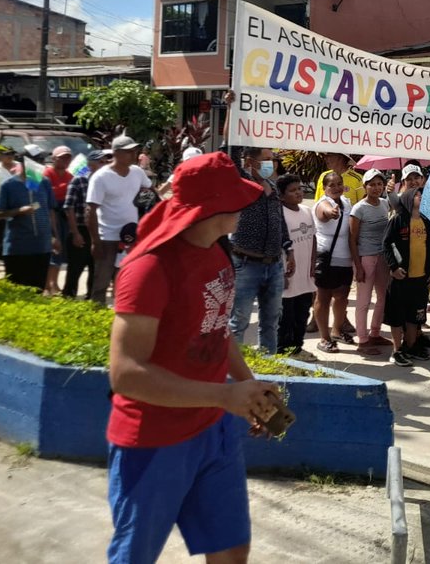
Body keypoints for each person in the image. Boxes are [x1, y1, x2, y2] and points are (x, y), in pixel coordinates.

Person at [106, 151, 280, 563]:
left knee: (232, 549)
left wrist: (247, 390)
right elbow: (126, 375)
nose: (243, 205)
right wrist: (224, 397)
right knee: (135, 556)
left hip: (213, 431)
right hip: (154, 440)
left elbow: (217, 329)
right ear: (212, 208)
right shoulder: (148, 269)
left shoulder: (216, 253)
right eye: (235, 199)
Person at [227, 147, 291, 355]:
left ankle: (267, 365)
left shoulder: (272, 187)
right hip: (246, 265)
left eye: (272, 160)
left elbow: (279, 222)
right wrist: (233, 116)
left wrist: (288, 249)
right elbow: (231, 157)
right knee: (239, 321)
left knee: (271, 322)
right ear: (251, 162)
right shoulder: (242, 184)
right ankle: (232, 372)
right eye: (266, 159)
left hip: (273, 265)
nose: (271, 164)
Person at [86, 136, 153, 307]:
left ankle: (121, 316)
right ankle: (96, 318)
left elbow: (150, 191)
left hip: (131, 236)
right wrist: (95, 241)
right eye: (128, 151)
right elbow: (90, 210)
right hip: (107, 237)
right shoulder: (101, 177)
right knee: (101, 281)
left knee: (126, 281)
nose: (133, 154)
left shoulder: (137, 172)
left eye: (134, 151)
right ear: (115, 152)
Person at [383, 186, 430, 367]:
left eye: (422, 194)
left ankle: (411, 346)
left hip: (420, 278)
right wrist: (393, 267)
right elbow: (387, 243)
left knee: (416, 315)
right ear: (407, 198)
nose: (420, 197)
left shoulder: (427, 221)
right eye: (416, 194)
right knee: (397, 315)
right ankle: (396, 350)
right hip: (401, 277)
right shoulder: (398, 220)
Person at [0, 151, 61, 289]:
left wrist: (55, 236)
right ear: (23, 162)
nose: (40, 164)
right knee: (18, 289)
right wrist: (17, 211)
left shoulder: (44, 183)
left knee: (38, 288)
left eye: (41, 161)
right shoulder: (9, 185)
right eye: (36, 161)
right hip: (18, 247)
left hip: (42, 246)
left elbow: (50, 210)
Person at [312, 171, 355, 353]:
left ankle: (337, 331)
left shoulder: (347, 202)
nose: (336, 188)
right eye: (332, 185)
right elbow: (325, 213)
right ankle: (324, 338)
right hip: (326, 257)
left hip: (345, 258)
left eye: (339, 184)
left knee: (342, 297)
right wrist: (332, 212)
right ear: (324, 188)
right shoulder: (322, 203)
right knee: (323, 297)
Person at [350, 169, 391, 355]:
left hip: (383, 256)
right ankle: (363, 339)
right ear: (365, 186)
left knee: (382, 297)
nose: (376, 188)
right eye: (372, 184)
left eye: (379, 184)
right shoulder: (359, 208)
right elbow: (352, 238)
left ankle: (375, 332)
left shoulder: (385, 204)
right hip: (366, 258)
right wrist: (357, 266)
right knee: (364, 301)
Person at [277, 174, 317, 360]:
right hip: (288, 276)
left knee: (303, 312)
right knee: (286, 316)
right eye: (293, 190)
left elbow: (313, 238)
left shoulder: (306, 211)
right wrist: (281, 273)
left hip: (306, 275)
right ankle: (283, 351)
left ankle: (297, 347)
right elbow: (277, 246)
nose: (299, 192)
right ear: (282, 196)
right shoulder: (279, 215)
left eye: (300, 188)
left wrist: (312, 264)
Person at [63, 148, 110, 299]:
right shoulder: (79, 179)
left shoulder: (106, 180)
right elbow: (68, 207)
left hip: (99, 230)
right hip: (81, 229)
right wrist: (75, 233)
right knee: (75, 268)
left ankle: (92, 299)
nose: (104, 164)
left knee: (95, 269)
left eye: (106, 161)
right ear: (91, 164)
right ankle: (68, 299)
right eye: (100, 162)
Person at [42, 146, 74, 296]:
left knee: (60, 250)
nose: (66, 160)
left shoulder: (69, 176)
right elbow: (48, 195)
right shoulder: (46, 173)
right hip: (49, 213)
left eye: (68, 157)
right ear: (54, 158)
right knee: (53, 247)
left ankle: (53, 283)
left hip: (64, 215)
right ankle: (49, 284)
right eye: (62, 157)